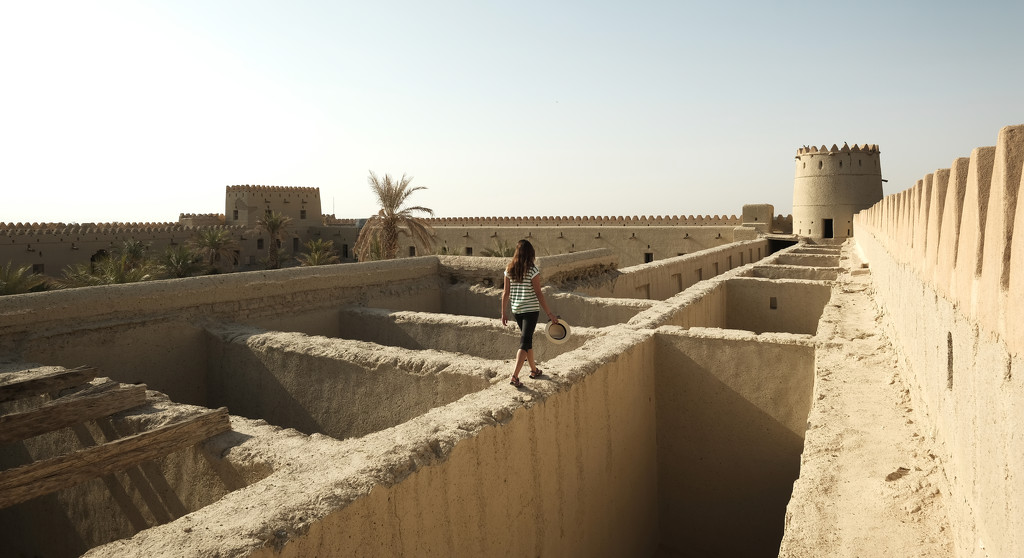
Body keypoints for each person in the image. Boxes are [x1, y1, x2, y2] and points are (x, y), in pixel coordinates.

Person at [501, 239, 558, 387]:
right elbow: (539, 293)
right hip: (531, 310)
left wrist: (503, 313)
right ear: (530, 253)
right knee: (524, 343)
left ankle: (534, 370)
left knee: (528, 341)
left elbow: (505, 293)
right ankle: (514, 376)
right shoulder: (533, 270)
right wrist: (550, 314)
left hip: (517, 310)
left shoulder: (509, 269)